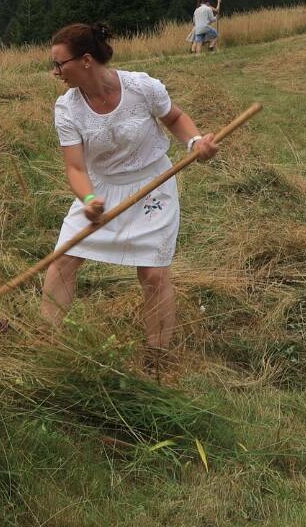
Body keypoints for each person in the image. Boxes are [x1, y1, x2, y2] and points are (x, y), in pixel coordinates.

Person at [40, 22, 219, 373]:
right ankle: (46, 343)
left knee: (154, 275)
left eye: (60, 64)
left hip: (153, 184)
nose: (56, 72)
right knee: (62, 261)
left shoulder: (141, 87)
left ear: (87, 60)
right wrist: (89, 199)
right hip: (101, 191)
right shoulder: (67, 109)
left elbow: (176, 117)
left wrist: (196, 143)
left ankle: (156, 360)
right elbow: (76, 169)